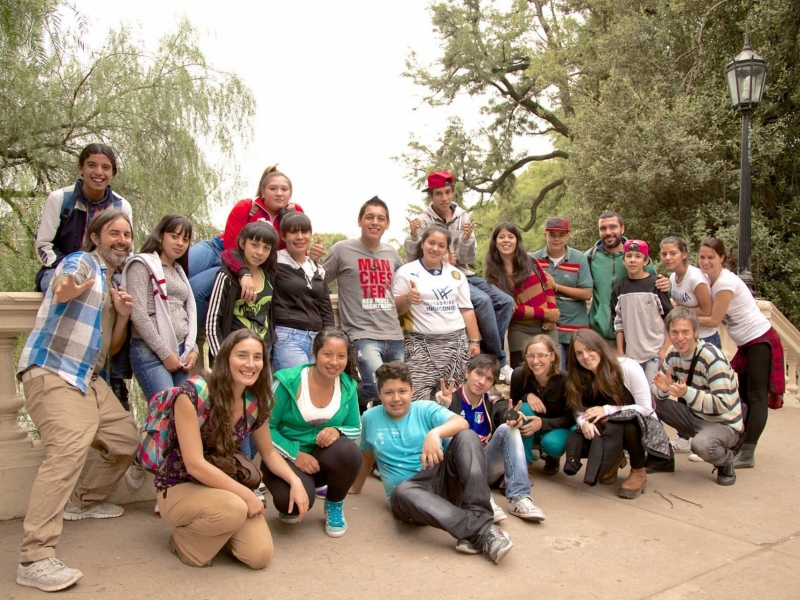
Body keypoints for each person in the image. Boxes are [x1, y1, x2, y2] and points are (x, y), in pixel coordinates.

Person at [16, 209, 138, 592]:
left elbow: (110, 347)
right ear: (96, 236)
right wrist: (67, 286)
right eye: (114, 233)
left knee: (126, 441)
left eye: (127, 234)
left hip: (87, 379)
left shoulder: (110, 280)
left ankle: (82, 501)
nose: (122, 240)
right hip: (53, 370)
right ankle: (34, 557)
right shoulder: (82, 261)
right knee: (68, 448)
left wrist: (121, 317)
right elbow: (64, 283)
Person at [156, 329, 309, 569]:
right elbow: (195, 465)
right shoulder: (194, 393)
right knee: (235, 507)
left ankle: (217, 530)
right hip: (180, 486)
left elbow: (268, 453)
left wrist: (295, 481)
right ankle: (184, 542)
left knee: (259, 556)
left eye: (257, 357)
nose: (250, 364)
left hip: (224, 485)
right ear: (225, 357)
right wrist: (246, 494)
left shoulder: (255, 400)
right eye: (242, 355)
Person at [350, 362, 514, 564]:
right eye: (388, 392)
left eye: (402, 391)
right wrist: (354, 487)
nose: (396, 398)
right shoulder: (370, 418)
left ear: (412, 390)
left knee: (467, 436)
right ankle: (483, 530)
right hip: (409, 499)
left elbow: (461, 423)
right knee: (402, 491)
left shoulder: (424, 408)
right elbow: (367, 456)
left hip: (441, 481)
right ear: (379, 393)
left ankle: (478, 519)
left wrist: (434, 433)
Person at [33, 142, 133, 410]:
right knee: (64, 293)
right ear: (80, 168)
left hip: (106, 269)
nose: (98, 172)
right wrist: (66, 272)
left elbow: (122, 245)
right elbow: (43, 245)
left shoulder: (121, 204)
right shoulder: (61, 199)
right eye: (92, 165)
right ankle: (58, 363)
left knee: (126, 301)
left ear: (112, 173)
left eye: (105, 167)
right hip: (63, 265)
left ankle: (116, 377)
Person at [404, 171, 515, 382]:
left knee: (506, 301)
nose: (444, 198)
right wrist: (414, 236)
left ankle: (488, 354)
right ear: (431, 196)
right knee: (482, 301)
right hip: (440, 277)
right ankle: (499, 361)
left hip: (464, 273)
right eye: (438, 194)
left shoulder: (463, 216)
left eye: (447, 192)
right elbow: (412, 257)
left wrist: (465, 239)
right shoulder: (422, 220)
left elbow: (469, 257)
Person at [187, 166, 323, 329]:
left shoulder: (294, 213)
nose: (279, 193)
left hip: (251, 261)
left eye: (284, 189)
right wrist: (244, 272)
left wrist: (312, 259)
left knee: (195, 288)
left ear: (290, 194)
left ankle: (191, 341)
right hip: (221, 249)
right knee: (177, 271)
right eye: (273, 188)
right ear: (262, 192)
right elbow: (231, 248)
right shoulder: (247, 206)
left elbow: (294, 253)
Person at [696, 237, 785, 469]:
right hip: (746, 344)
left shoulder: (725, 283)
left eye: (711, 257)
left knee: (756, 398)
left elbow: (714, 319)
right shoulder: (709, 279)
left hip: (760, 341)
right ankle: (741, 444)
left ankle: (748, 451)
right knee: (743, 398)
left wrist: (683, 314)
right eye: (702, 257)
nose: (705, 262)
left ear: (722, 258)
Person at [266, 328, 363, 537]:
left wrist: (338, 430)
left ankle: (335, 504)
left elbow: (356, 427)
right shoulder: (287, 382)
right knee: (289, 507)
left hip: (321, 460)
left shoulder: (348, 385)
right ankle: (298, 490)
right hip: (285, 458)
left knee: (350, 451)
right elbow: (264, 428)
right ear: (314, 352)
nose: (334, 362)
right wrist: (295, 454)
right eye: (327, 354)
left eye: (341, 356)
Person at [436, 354, 546, 522]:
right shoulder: (450, 397)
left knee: (509, 429)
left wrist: (512, 417)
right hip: (455, 471)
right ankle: (482, 499)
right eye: (478, 374)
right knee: (456, 434)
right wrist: (442, 407)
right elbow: (433, 428)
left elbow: (503, 411)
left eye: (488, 379)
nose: (482, 381)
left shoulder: (491, 401)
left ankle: (519, 498)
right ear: (467, 373)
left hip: (485, 465)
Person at [562, 329, 670, 499]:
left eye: (590, 349)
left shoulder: (627, 367)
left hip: (641, 426)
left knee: (628, 422)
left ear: (600, 347)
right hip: (607, 426)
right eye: (579, 353)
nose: (585, 356)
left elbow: (646, 409)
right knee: (581, 440)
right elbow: (577, 407)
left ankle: (638, 470)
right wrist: (583, 422)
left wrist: (607, 410)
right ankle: (614, 458)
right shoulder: (579, 375)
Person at [323, 196, 404, 413]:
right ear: (359, 221)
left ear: (387, 224)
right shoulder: (341, 250)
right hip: (362, 334)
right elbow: (319, 285)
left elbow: (401, 290)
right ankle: (340, 400)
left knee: (394, 393)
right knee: (377, 386)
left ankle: (379, 441)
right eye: (369, 217)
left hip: (394, 335)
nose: (375, 222)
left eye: (381, 218)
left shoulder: (392, 254)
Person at [651, 307, 743, 485]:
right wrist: (662, 389)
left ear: (696, 332)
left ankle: (726, 460)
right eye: (675, 332)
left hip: (723, 422)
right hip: (695, 416)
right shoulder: (672, 354)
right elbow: (658, 389)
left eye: (686, 332)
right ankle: (662, 457)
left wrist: (687, 393)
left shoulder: (712, 357)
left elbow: (723, 404)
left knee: (701, 445)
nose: (680, 338)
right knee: (650, 402)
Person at [393, 224, 481, 400]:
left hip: (456, 345)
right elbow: (395, 309)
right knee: (417, 399)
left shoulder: (456, 275)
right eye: (431, 243)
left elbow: (467, 310)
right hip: (420, 345)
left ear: (447, 249)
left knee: (452, 399)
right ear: (422, 244)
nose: (435, 248)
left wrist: (475, 342)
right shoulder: (406, 271)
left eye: (441, 245)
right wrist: (408, 298)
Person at [122, 214, 199, 403]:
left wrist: (193, 348)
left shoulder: (179, 271)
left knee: (185, 412)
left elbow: (183, 312)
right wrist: (165, 353)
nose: (180, 243)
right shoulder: (142, 265)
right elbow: (138, 314)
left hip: (181, 352)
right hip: (150, 351)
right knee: (167, 412)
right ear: (160, 236)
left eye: (185, 239)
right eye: (174, 236)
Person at [657, 236, 719, 459]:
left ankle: (710, 437)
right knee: (684, 390)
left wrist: (681, 309)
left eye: (673, 253)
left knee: (705, 392)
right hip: (685, 345)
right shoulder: (674, 277)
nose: (668, 257)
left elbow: (708, 310)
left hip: (705, 341)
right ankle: (684, 438)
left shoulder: (695, 278)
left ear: (684, 254)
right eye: (664, 254)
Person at [483, 222, 559, 368]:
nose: (506, 240)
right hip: (520, 330)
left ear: (517, 240)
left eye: (511, 236)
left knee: (552, 372)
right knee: (523, 374)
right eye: (501, 237)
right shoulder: (492, 276)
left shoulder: (530, 261)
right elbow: (512, 309)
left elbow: (547, 285)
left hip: (547, 327)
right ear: (495, 242)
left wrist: (551, 315)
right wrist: (546, 313)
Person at [206, 221, 278, 365]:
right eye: (255, 245)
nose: (260, 252)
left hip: (262, 353)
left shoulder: (269, 275)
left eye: (266, 248)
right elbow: (211, 321)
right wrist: (221, 359)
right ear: (242, 243)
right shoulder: (227, 276)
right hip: (235, 353)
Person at [272, 211, 335, 370]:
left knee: (315, 389)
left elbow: (325, 308)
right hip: (288, 336)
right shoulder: (274, 262)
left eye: (304, 232)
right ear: (284, 236)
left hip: (316, 339)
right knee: (298, 387)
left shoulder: (316, 268)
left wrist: (330, 338)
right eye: (293, 232)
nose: (300, 237)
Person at [531, 217, 593, 369]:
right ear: (545, 235)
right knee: (555, 374)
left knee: (577, 376)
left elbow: (587, 293)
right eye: (552, 235)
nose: (557, 239)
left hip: (576, 329)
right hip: (549, 328)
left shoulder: (578, 258)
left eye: (561, 235)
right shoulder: (534, 259)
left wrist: (555, 286)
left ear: (568, 236)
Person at [586, 211, 657, 343]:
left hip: (632, 335)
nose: (608, 232)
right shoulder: (590, 257)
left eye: (613, 227)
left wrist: (665, 284)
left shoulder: (636, 255)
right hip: (598, 334)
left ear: (622, 228)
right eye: (603, 228)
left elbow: (655, 287)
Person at [610, 239, 673, 385]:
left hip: (655, 353)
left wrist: (665, 349)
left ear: (645, 261)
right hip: (631, 356)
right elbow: (618, 323)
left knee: (654, 395)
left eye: (638, 256)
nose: (633, 260)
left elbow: (670, 318)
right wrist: (621, 353)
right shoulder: (619, 289)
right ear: (623, 260)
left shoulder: (656, 285)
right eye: (629, 256)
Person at [509, 335, 575, 475]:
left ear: (552, 356)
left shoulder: (566, 380)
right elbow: (513, 404)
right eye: (530, 356)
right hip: (531, 423)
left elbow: (571, 417)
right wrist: (527, 396)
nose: (535, 361)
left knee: (553, 445)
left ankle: (552, 458)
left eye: (541, 355)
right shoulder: (519, 375)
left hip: (559, 425)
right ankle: (525, 462)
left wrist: (543, 423)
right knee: (523, 409)